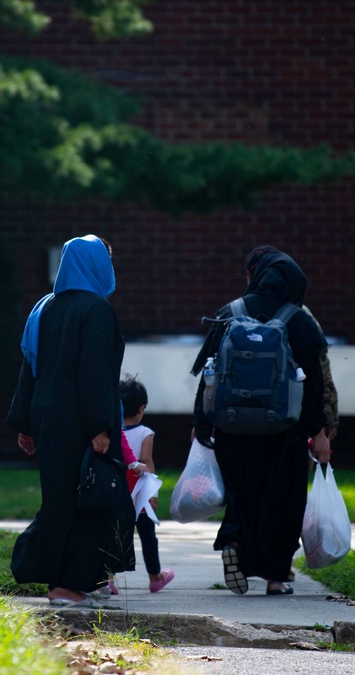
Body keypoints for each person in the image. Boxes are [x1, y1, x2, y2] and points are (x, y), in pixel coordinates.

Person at [191, 249, 331, 596]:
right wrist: (319, 431)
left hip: (233, 426)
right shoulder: (299, 321)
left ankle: (234, 543)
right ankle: (274, 577)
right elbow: (314, 384)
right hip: (286, 432)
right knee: (283, 500)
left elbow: (208, 372)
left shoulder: (230, 313)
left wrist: (202, 422)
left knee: (241, 493)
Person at [7, 234, 135, 607]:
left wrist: (24, 423)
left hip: (48, 420)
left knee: (61, 496)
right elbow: (94, 372)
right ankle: (67, 586)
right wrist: (100, 427)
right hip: (81, 421)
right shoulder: (96, 309)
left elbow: (29, 368)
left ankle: (74, 582)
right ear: (95, 265)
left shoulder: (44, 307)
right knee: (90, 498)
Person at [245, 246, 340, 441]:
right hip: (293, 419)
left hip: (241, 418)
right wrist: (327, 417)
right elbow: (320, 372)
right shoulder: (300, 315)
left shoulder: (238, 312)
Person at [120, 375, 175, 593]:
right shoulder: (146, 433)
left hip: (118, 492)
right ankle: (155, 577)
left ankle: (106, 580)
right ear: (142, 408)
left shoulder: (113, 432)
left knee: (113, 534)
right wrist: (153, 494)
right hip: (139, 493)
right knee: (147, 535)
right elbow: (147, 463)